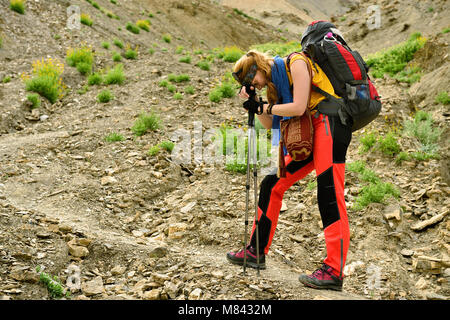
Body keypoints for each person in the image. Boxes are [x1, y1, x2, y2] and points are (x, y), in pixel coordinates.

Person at [226, 49, 352, 291]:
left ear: (258, 68)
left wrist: (269, 108)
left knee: (328, 194)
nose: (254, 85)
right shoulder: (274, 87)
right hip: (309, 134)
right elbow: (270, 124)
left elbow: (298, 106)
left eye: (251, 80)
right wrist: (257, 106)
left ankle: (334, 271)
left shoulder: (296, 62)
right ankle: (256, 251)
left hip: (330, 124)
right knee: (271, 184)